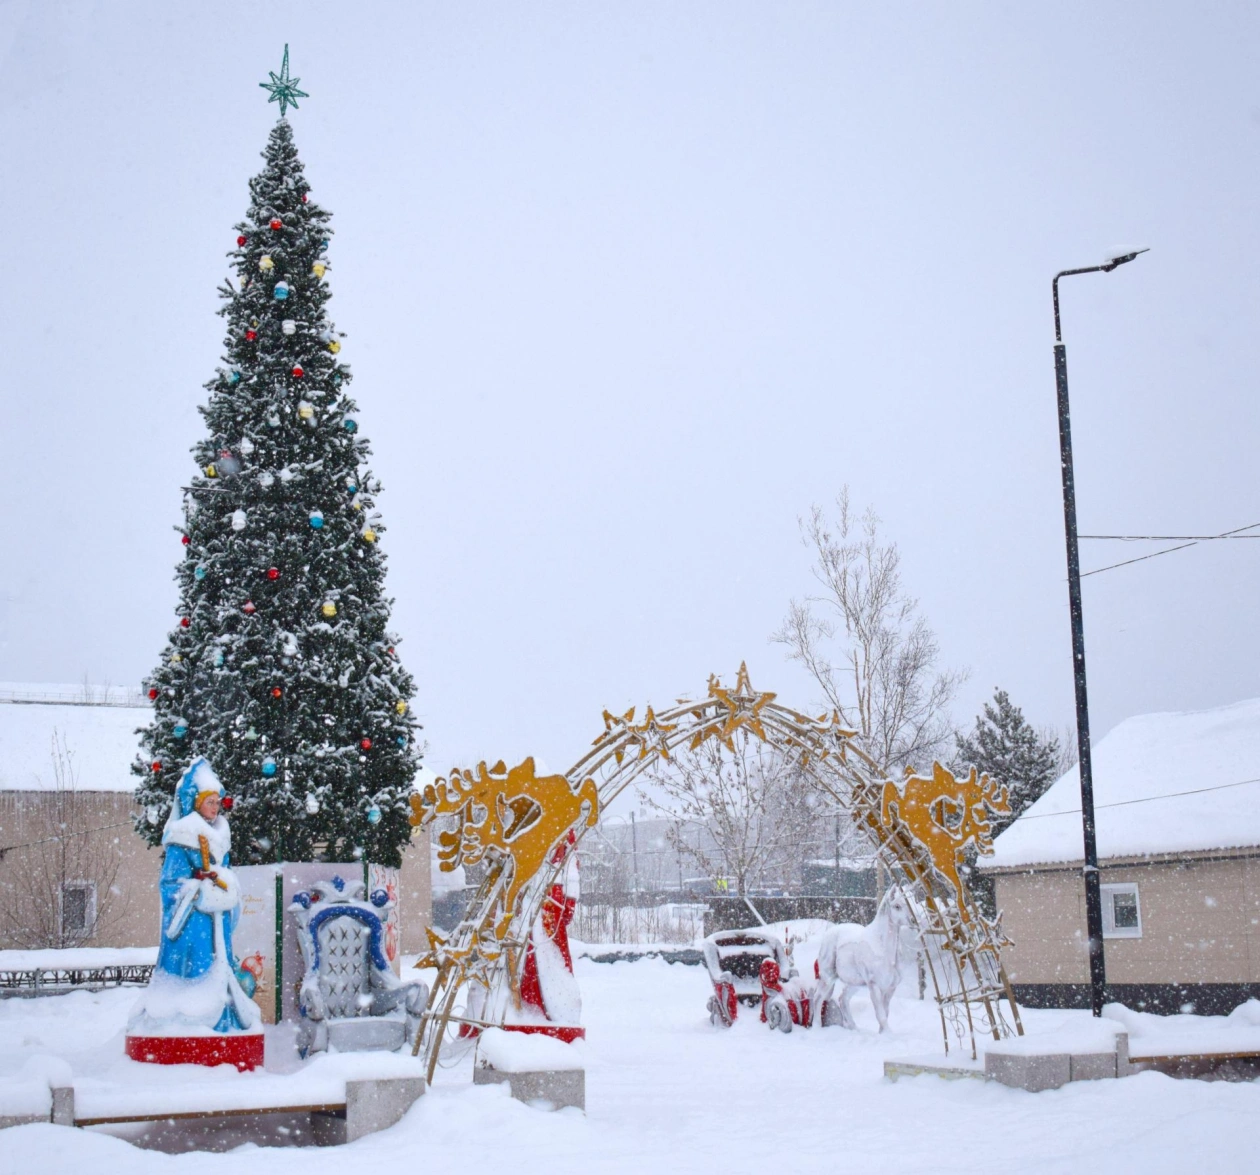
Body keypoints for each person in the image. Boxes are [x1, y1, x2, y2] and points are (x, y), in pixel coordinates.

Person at [128, 758, 260, 1036]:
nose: (215, 807)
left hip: (218, 917)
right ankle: (188, 1017)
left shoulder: (220, 834)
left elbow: (225, 872)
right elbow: (170, 883)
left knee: (220, 964)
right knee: (197, 969)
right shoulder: (183, 835)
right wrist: (197, 889)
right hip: (193, 922)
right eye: (209, 801)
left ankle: (223, 1019)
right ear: (196, 803)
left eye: (217, 802)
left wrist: (225, 885)